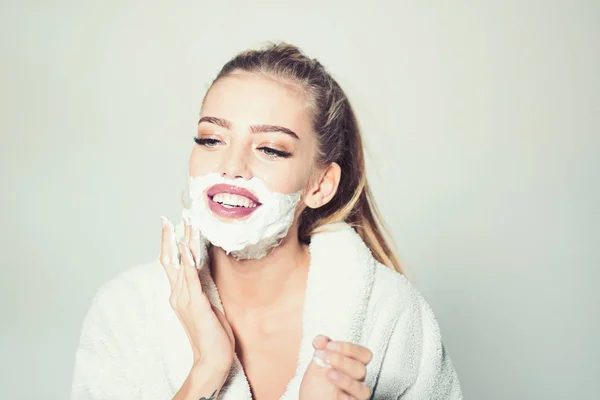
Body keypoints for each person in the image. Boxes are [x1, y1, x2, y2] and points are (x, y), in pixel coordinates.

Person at [71, 43, 463, 400]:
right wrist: (206, 371)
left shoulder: (389, 315)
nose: (231, 166)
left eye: (271, 149)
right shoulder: (126, 311)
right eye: (211, 139)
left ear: (320, 185)